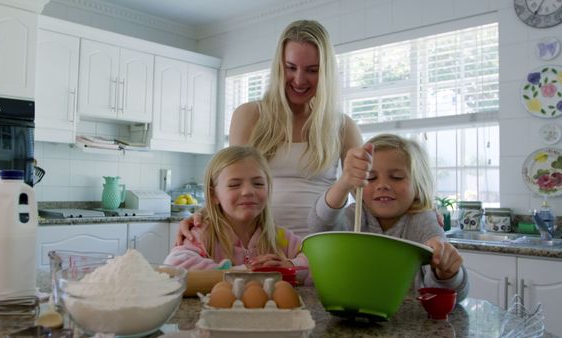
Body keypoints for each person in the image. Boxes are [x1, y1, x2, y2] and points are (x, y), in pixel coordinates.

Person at [175, 19, 363, 244]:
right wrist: (202, 215)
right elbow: (230, 181)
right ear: (278, 67)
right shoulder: (249, 116)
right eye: (291, 68)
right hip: (260, 247)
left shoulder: (342, 126)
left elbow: (367, 200)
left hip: (324, 248)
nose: (299, 80)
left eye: (312, 70)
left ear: (326, 73)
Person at [308, 134, 469, 302]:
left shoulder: (423, 221)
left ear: (418, 185)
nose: (382, 185)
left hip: (403, 323)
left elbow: (453, 293)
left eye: (396, 177)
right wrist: (344, 182)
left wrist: (447, 273)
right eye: (371, 178)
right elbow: (318, 227)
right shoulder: (354, 214)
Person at [164, 146, 308, 280]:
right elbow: (173, 266)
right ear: (214, 195)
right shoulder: (203, 234)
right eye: (234, 185)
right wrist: (245, 272)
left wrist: (289, 266)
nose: (248, 191)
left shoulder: (279, 237)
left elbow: (318, 259)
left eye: (258, 183)